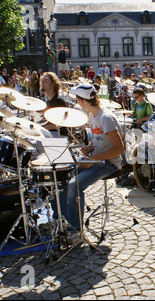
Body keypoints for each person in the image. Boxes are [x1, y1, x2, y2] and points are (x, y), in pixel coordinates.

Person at [55, 83, 124, 241]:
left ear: (81, 101)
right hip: (97, 158)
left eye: (76, 100)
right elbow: (98, 138)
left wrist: (92, 158)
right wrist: (89, 147)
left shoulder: (106, 118)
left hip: (109, 164)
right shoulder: (93, 115)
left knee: (74, 185)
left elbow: (120, 148)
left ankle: (76, 231)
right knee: (63, 173)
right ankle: (65, 218)